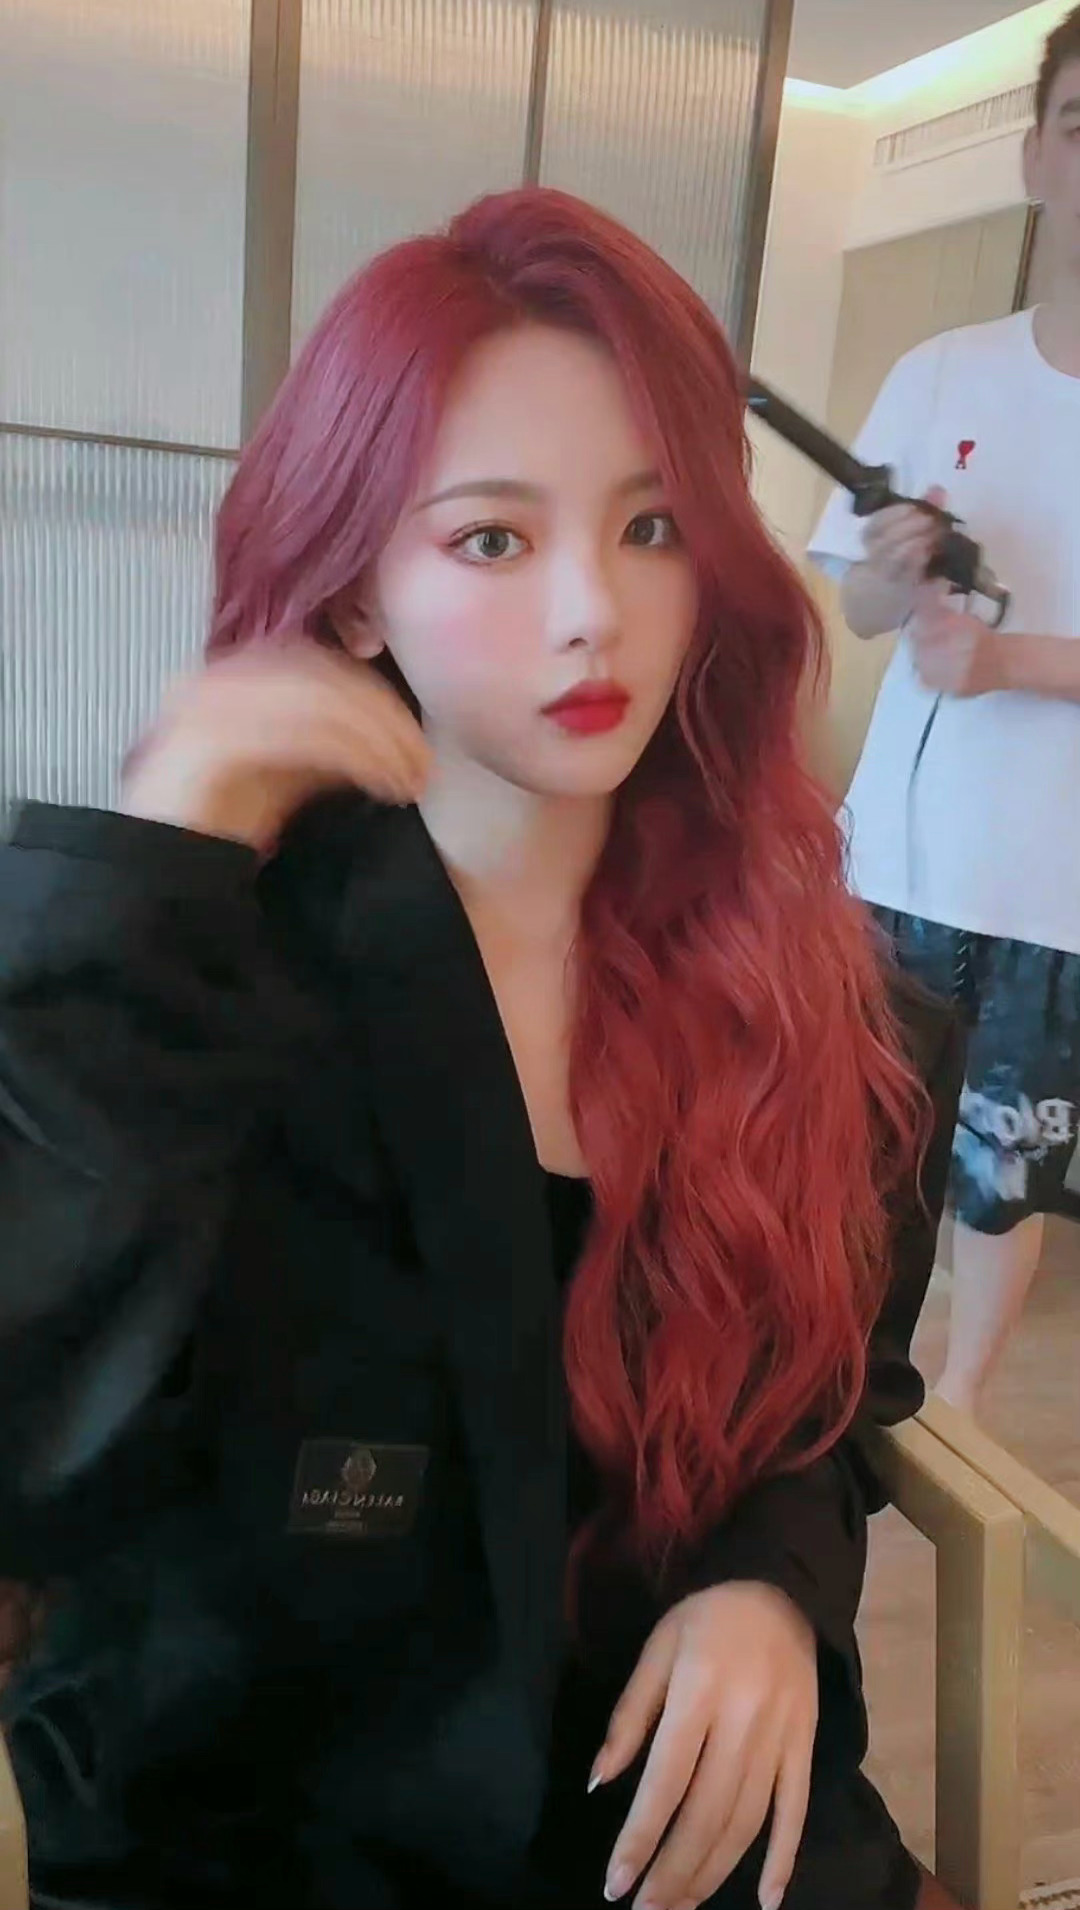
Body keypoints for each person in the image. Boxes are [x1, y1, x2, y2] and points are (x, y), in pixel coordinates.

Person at [0, 187, 961, 1910]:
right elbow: (33, 1425)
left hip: (654, 1797)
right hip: (275, 1809)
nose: (594, 610)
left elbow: (827, 1391)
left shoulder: (816, 987)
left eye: (653, 526)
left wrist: (767, 1584)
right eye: (493, 541)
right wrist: (157, 859)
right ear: (356, 595)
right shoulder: (200, 966)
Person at [809, 5, 1080, 1421]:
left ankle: (960, 1412)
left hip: (1063, 890)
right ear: (1036, 156)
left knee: (1000, 1171)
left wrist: (1011, 663)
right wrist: (898, 568)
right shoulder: (941, 371)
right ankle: (823, 1384)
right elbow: (860, 606)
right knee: (855, 1151)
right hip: (902, 864)